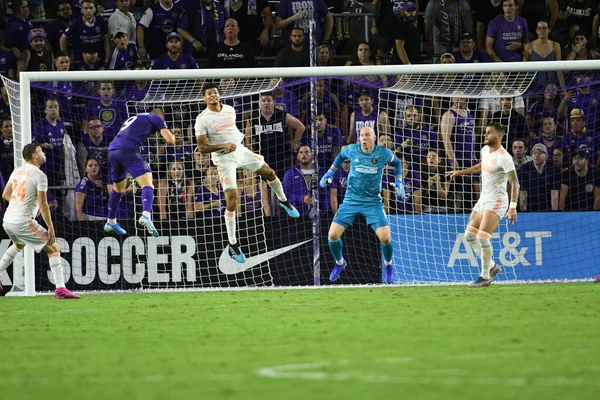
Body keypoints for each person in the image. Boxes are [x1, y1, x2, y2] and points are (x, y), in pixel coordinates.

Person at [195, 82, 300, 264]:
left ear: (219, 95)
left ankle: (284, 202)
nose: (213, 96)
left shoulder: (229, 110)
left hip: (239, 151)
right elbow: (202, 147)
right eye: (209, 94)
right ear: (204, 98)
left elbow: (233, 132)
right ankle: (233, 245)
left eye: (215, 93)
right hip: (223, 158)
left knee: (269, 173)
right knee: (232, 201)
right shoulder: (202, 119)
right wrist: (222, 146)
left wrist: (234, 144)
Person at [319, 126, 407, 284]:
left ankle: (388, 265)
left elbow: (397, 163)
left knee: (385, 238)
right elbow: (340, 157)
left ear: (374, 137)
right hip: (351, 200)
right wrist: (330, 172)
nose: (364, 138)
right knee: (332, 236)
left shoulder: (383, 153)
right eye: (361, 136)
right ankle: (340, 263)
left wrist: (399, 181)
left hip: (373, 202)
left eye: (367, 135)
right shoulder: (352, 150)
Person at [0, 143, 80, 298]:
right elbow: (43, 205)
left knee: (19, 244)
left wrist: (21, 205)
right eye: (41, 151)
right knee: (54, 247)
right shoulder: (40, 175)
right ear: (34, 156)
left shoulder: (17, 171)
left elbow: (5, 194)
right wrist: (50, 227)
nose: (44, 153)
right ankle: (61, 289)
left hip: (8, 220)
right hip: (22, 221)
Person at [447, 122, 520, 287]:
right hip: (483, 199)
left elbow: (515, 184)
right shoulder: (484, 150)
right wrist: (460, 172)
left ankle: (485, 276)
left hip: (498, 200)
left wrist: (513, 207)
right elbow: (482, 166)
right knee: (469, 236)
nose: (485, 135)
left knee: (482, 236)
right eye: (485, 132)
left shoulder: (505, 157)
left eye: (489, 133)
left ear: (499, 136)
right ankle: (493, 266)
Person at [104, 108, 175, 237]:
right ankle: (146, 215)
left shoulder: (137, 117)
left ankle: (111, 220)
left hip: (112, 150)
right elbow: (170, 140)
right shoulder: (156, 118)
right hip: (128, 149)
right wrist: (171, 135)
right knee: (148, 183)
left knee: (118, 188)